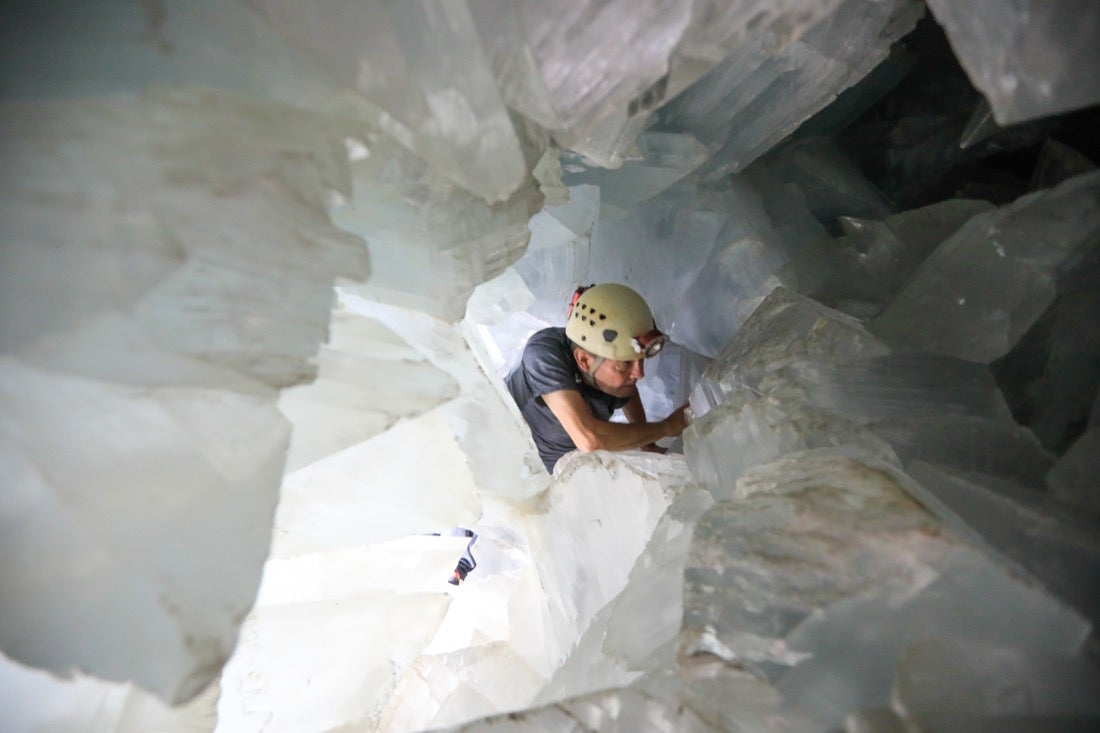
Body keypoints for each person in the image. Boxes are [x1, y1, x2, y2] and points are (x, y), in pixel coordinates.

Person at [506, 283, 690, 473]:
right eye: (625, 364)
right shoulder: (544, 356)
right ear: (584, 360)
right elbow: (589, 438)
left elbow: (628, 389)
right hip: (521, 468)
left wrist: (648, 444)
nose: (639, 374)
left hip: (573, 460)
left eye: (640, 362)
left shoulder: (607, 367)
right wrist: (667, 427)